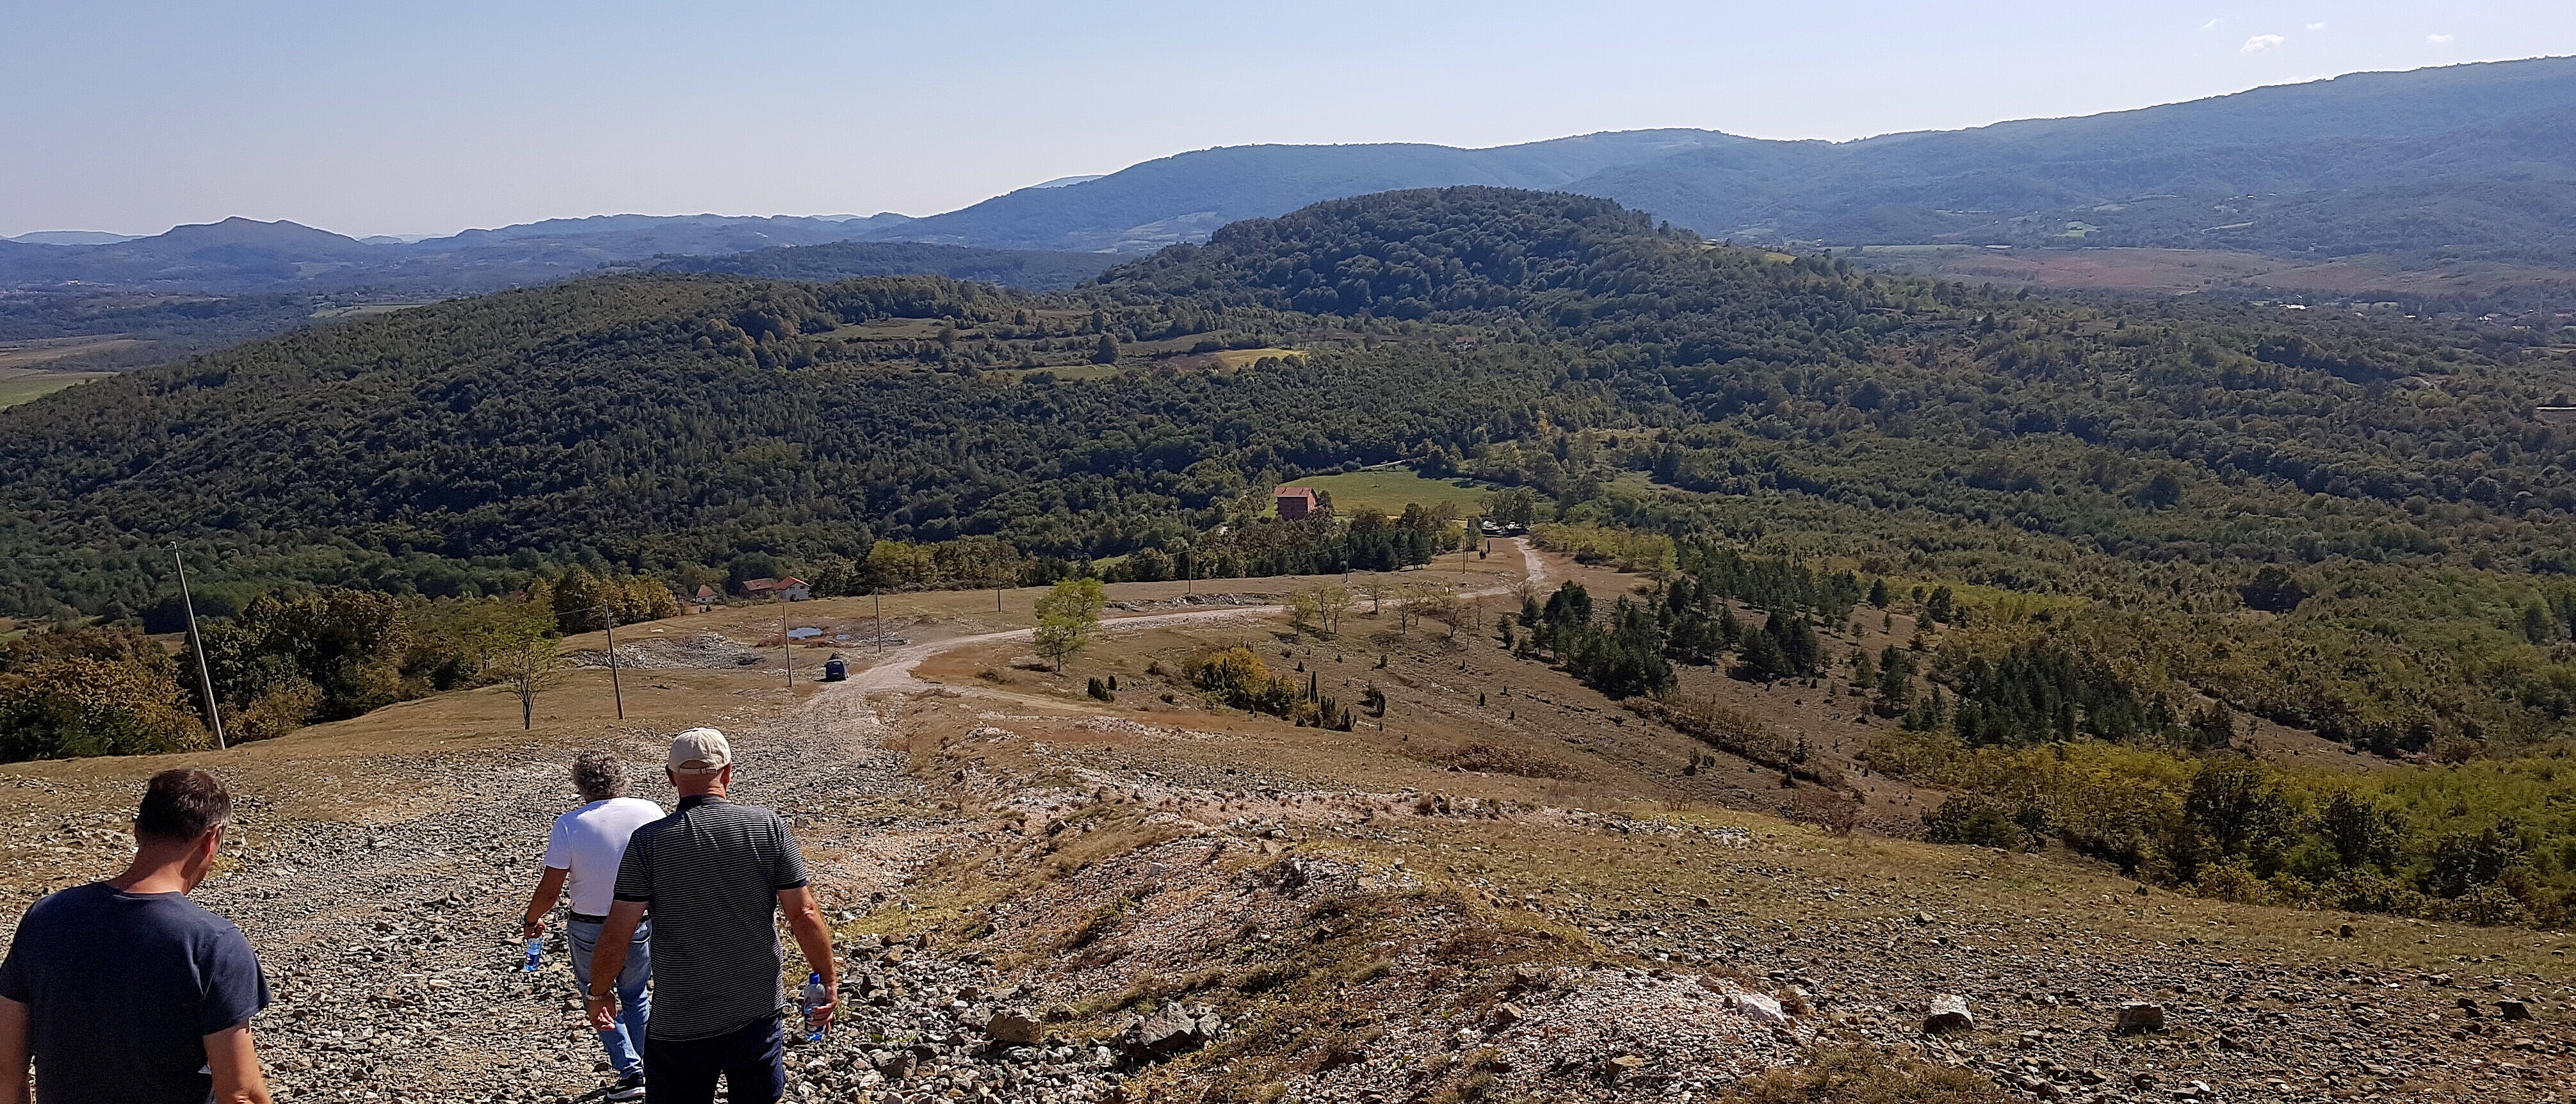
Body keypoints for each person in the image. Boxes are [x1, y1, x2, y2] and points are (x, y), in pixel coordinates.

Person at [586, 729, 836, 1104]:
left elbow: (620, 928)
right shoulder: (768, 828)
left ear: (672, 779)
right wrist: (827, 979)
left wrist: (600, 991)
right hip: (756, 1010)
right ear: (728, 772)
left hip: (680, 1019)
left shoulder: (648, 842)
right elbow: (803, 913)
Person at [0, 768, 272, 1104]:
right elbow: (240, 1092)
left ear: (138, 830)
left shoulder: (44, 918)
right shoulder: (213, 943)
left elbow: (6, 1072)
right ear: (211, 839)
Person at [523, 751, 664, 1101]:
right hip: (637, 920)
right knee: (636, 995)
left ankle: (630, 1072)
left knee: (597, 996)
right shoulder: (648, 811)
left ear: (580, 784)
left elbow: (551, 887)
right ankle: (652, 1070)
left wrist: (531, 918)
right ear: (620, 777)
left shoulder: (570, 824)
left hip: (589, 925)